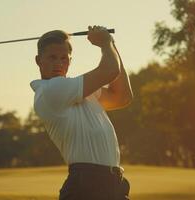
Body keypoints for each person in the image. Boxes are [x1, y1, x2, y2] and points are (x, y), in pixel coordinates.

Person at [30, 25, 133, 200]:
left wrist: (111, 45)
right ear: (38, 60)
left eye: (64, 58)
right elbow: (109, 70)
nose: (59, 63)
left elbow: (122, 97)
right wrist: (105, 44)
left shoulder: (81, 90)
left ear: (70, 61)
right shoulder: (50, 90)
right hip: (86, 185)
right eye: (52, 57)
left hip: (112, 183)